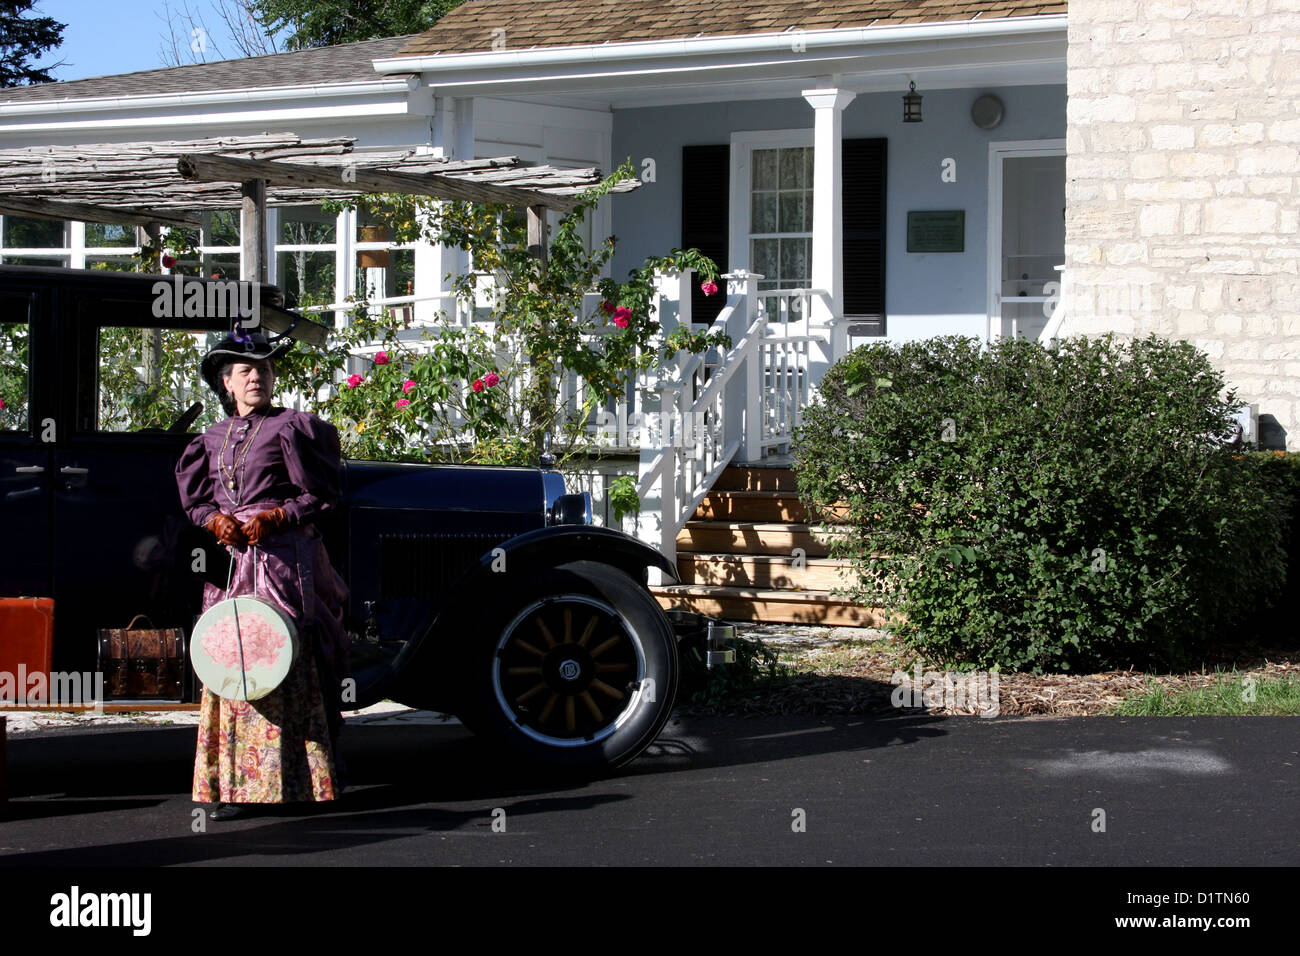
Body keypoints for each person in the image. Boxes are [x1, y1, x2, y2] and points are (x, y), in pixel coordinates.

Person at [175, 330, 349, 820]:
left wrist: (279, 516)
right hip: (232, 565)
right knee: (233, 658)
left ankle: (302, 785)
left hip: (283, 561)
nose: (257, 376)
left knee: (287, 653)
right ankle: (234, 787)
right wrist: (213, 520)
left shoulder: (294, 428)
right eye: (245, 370)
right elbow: (197, 500)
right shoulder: (209, 438)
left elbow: (322, 494)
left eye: (265, 369)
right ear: (226, 383)